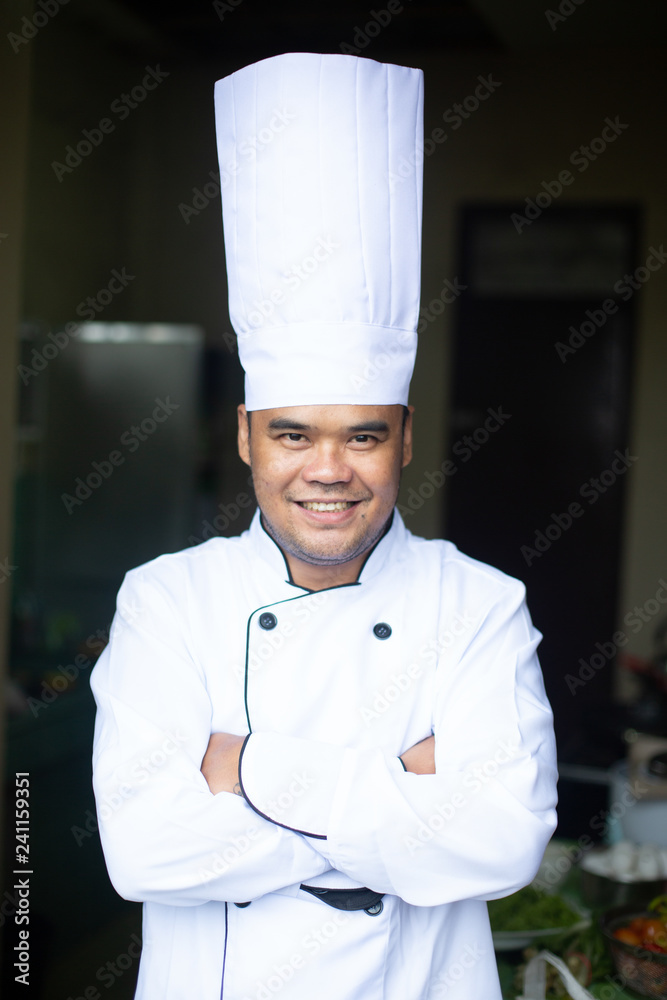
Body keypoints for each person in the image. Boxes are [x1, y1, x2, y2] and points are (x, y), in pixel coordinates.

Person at [91, 52, 557, 999]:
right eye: (293, 434)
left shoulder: (479, 606)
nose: (328, 471)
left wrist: (245, 766)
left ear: (405, 438)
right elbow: (142, 853)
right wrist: (399, 784)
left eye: (363, 436)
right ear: (246, 437)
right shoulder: (167, 600)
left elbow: (504, 844)